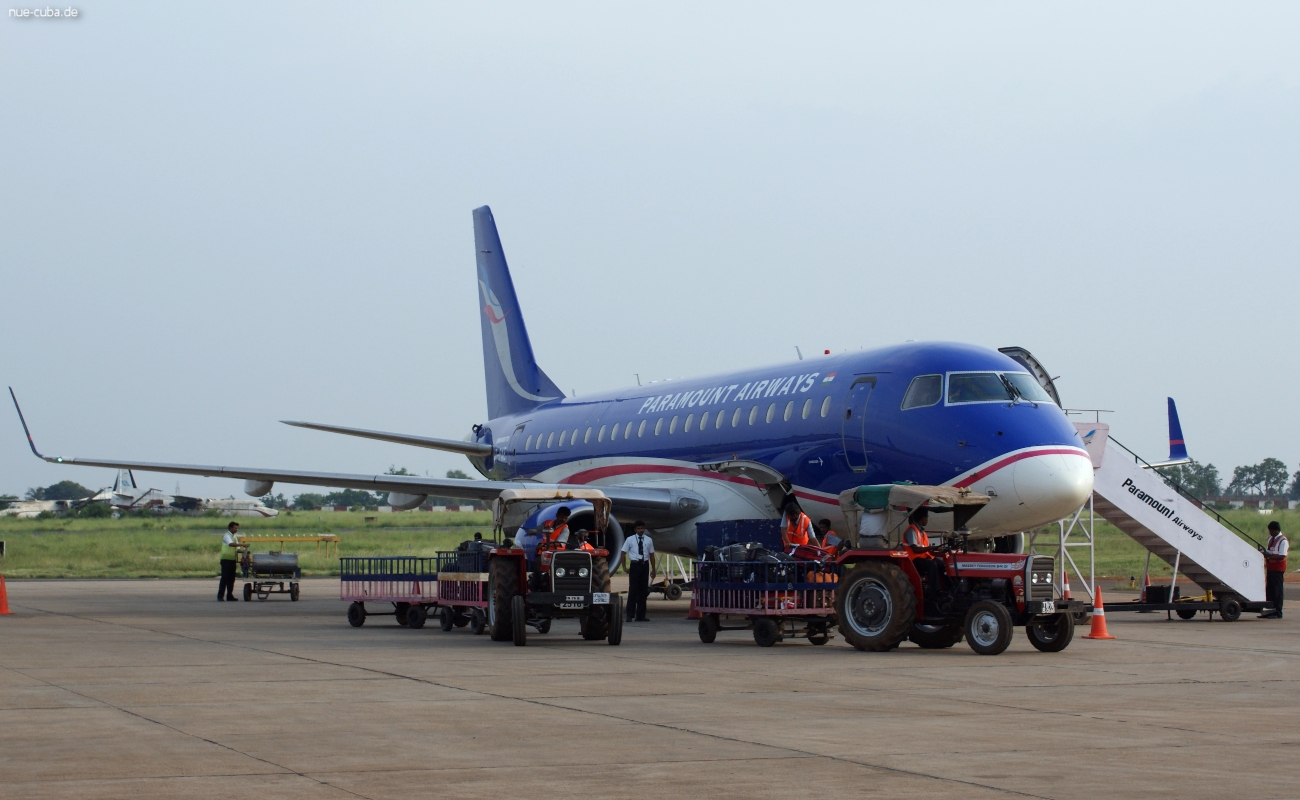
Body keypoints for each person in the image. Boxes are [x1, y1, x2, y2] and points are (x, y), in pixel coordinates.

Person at [620, 520, 656, 622]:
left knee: (643, 591)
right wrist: (624, 567)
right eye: (639, 528)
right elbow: (623, 553)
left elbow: (651, 554)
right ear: (635, 529)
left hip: (644, 565)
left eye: (642, 528)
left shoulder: (649, 540)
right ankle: (629, 614)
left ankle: (640, 615)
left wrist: (653, 569)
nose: (641, 530)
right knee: (633, 590)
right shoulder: (630, 539)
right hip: (635, 566)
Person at [902, 508, 944, 595]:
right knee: (931, 565)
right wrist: (930, 547)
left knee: (942, 564)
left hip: (922, 557)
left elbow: (926, 549)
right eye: (927, 518)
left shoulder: (922, 532)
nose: (927, 520)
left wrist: (938, 550)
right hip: (913, 560)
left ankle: (948, 587)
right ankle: (936, 591)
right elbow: (915, 549)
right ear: (922, 518)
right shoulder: (912, 531)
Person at [1261, 521, 1288, 619]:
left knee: (1277, 590)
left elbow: (1282, 556)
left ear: (1277, 530)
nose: (1270, 533)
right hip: (1270, 567)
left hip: (1278, 568)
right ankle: (1270, 611)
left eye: (1272, 531)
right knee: (1270, 590)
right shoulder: (1270, 539)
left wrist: (1270, 555)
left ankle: (1278, 612)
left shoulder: (1283, 541)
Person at [218, 522, 240, 602]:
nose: (236, 529)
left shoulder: (234, 537)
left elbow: (238, 548)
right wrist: (242, 545)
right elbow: (231, 544)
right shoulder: (227, 535)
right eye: (235, 528)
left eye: (237, 528)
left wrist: (245, 551)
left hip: (232, 560)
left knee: (231, 579)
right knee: (224, 578)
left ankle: (229, 595)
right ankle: (220, 596)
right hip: (225, 560)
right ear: (230, 528)